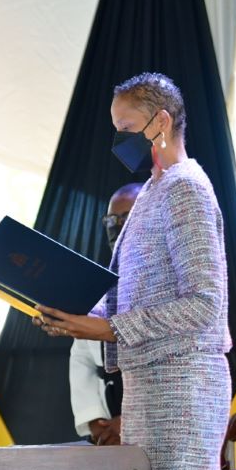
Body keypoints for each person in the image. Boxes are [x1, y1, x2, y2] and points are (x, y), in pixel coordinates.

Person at [34, 73, 231, 470]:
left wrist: (110, 329)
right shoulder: (149, 193)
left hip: (186, 384)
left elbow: (205, 305)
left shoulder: (187, 188)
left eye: (126, 128)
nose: (119, 140)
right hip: (146, 385)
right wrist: (67, 308)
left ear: (161, 121)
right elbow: (128, 291)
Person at [70, 182, 141, 447]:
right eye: (111, 219)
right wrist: (94, 421)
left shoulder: (164, 280)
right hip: (110, 430)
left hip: (157, 423)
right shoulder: (102, 286)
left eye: (126, 217)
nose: (116, 225)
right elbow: (81, 358)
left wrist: (132, 420)